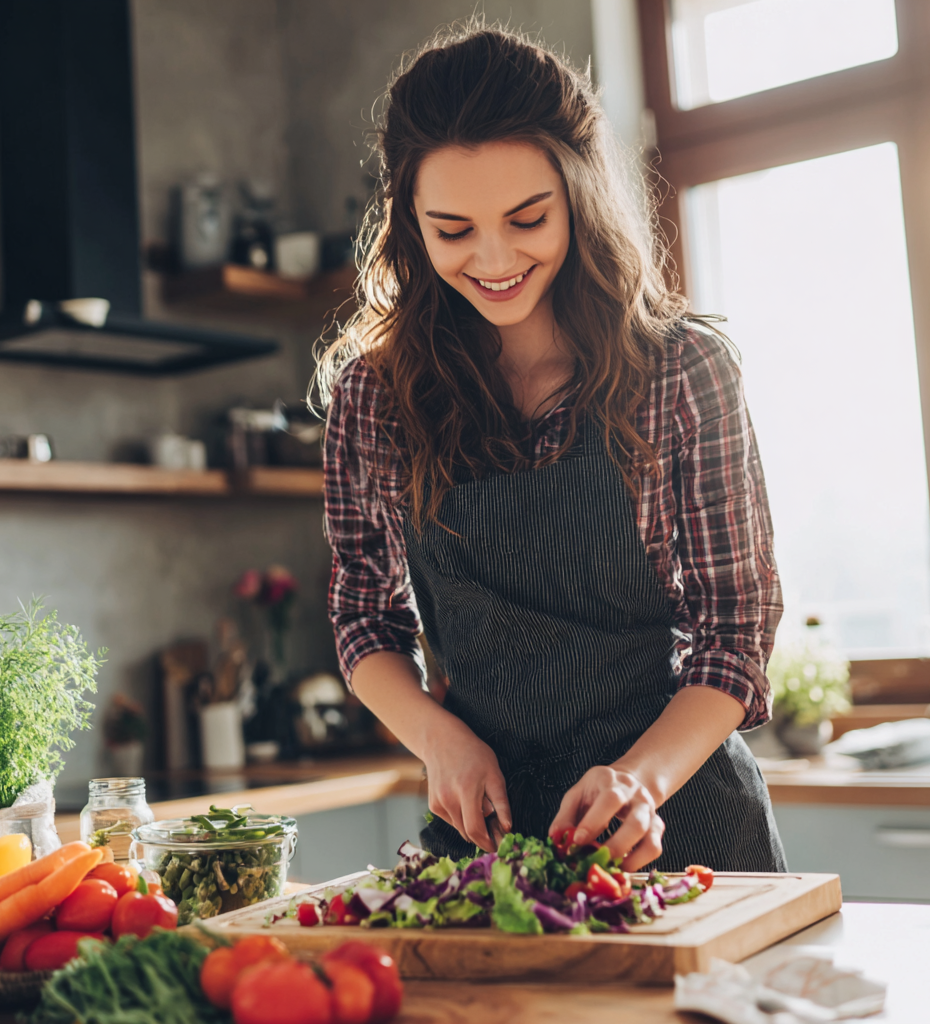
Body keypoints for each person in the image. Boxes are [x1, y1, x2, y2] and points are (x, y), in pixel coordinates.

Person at [317, 25, 786, 873]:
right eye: (452, 229)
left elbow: (734, 631)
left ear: (578, 195)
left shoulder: (682, 370)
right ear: (408, 224)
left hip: (684, 825)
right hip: (491, 839)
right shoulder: (373, 401)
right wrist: (436, 739)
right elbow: (364, 615)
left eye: (527, 218)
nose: (494, 259)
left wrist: (640, 781)